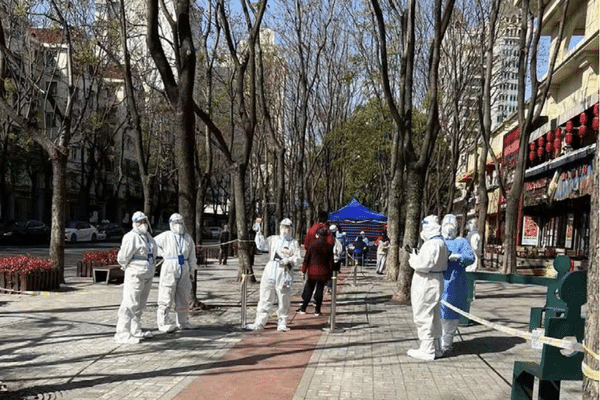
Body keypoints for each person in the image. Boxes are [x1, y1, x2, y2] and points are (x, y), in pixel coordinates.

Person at [244, 218, 301, 332]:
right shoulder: (273, 239)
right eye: (283, 226)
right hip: (270, 270)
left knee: (283, 297)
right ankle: (259, 322)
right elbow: (261, 246)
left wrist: (289, 260)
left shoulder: (293, 243)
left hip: (284, 272)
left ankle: (282, 321)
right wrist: (258, 232)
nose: (285, 229)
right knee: (265, 297)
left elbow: (298, 258)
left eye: (287, 227)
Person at [406, 215, 449, 360]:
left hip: (426, 280)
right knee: (434, 314)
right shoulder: (441, 242)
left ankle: (427, 349)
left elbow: (423, 265)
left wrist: (413, 259)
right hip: (436, 279)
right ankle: (436, 347)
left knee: (423, 314)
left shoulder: (432, 244)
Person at [115, 211, 157, 344]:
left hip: (147, 273)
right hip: (135, 273)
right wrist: (130, 268)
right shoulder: (131, 237)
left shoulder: (148, 237)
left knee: (140, 303)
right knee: (130, 303)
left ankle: (135, 329)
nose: (143, 224)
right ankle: (122, 333)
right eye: (140, 222)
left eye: (144, 221)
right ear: (134, 223)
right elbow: (123, 257)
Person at [154, 213, 198, 333]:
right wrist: (161, 253)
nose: (178, 225)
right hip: (169, 265)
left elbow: (192, 255)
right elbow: (153, 244)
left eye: (180, 222)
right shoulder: (166, 236)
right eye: (175, 223)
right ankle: (162, 323)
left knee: (183, 295)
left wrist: (192, 269)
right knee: (166, 294)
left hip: (184, 266)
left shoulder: (187, 238)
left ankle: (183, 322)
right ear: (171, 224)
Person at [440, 214, 475, 354]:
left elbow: (470, 257)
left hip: (455, 284)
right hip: (438, 282)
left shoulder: (461, 242)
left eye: (452, 225)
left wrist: (460, 257)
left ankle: (446, 345)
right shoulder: (438, 241)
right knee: (436, 316)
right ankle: (436, 344)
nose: (449, 228)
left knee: (450, 318)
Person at [299, 226, 334, 316]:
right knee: (320, 290)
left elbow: (307, 258)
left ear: (317, 234)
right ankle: (317, 310)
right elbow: (331, 261)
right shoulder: (329, 246)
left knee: (309, 289)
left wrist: (303, 270)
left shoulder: (312, 244)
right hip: (323, 271)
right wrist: (330, 275)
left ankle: (303, 308)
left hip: (312, 270)